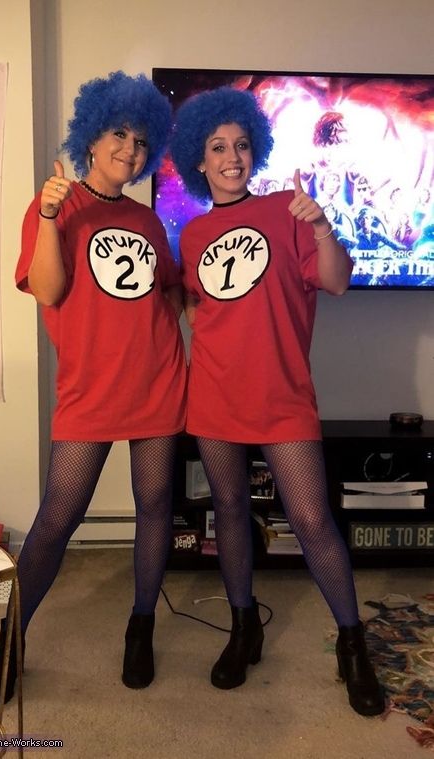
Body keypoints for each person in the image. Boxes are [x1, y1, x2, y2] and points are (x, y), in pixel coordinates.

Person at [170, 86, 385, 716]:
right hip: (212, 399)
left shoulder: (288, 213)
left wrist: (320, 226)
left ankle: (354, 648)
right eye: (217, 147)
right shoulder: (193, 237)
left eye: (240, 145)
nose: (231, 156)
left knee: (314, 522)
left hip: (284, 398)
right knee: (230, 513)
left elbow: (338, 281)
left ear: (253, 152)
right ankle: (245, 629)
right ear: (199, 162)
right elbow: (196, 311)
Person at [0, 71, 187, 708]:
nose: (130, 147)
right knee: (55, 522)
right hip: (90, 391)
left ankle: (141, 626)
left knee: (155, 506)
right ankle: (11, 644)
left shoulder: (149, 222)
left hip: (157, 383)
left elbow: (171, 297)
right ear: (92, 137)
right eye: (119, 132)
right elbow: (47, 290)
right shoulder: (58, 206)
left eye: (142, 139)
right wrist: (47, 215)